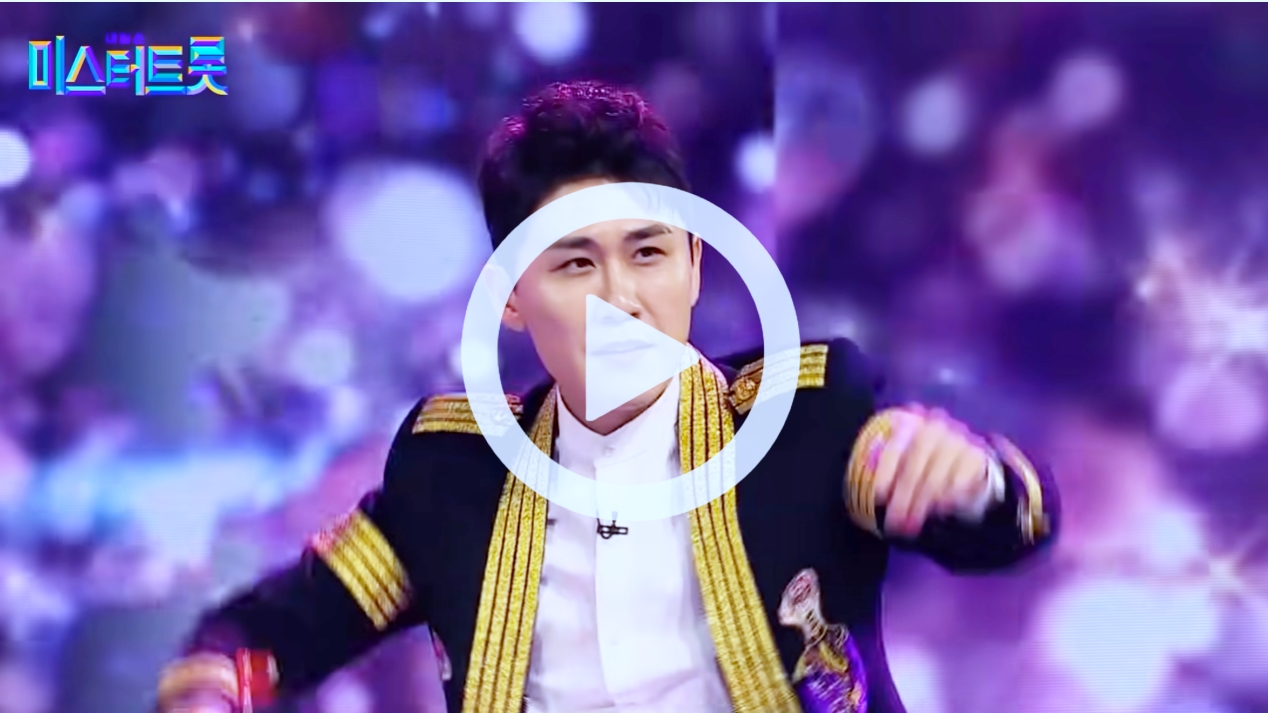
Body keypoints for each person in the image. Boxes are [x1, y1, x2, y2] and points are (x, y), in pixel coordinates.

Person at [155, 81, 1059, 713]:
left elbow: (1004, 525)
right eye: (576, 264)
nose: (621, 297)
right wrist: (214, 684)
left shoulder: (805, 412)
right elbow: (277, 629)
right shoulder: (451, 470)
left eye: (649, 253)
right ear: (512, 296)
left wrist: (971, 478)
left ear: (695, 266)